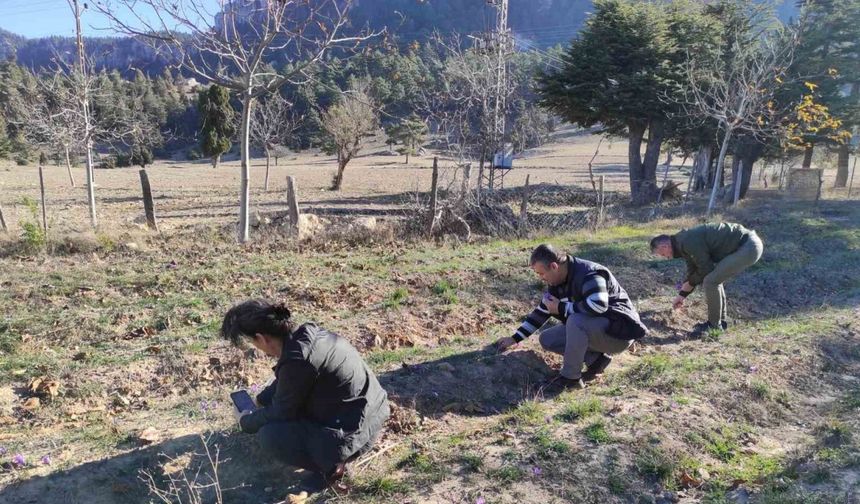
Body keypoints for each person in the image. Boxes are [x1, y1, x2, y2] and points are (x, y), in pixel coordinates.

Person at [221, 299, 390, 490]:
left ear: (261, 338)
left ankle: (331, 468)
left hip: (355, 438)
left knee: (270, 436)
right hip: (373, 416)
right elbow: (289, 382)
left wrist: (245, 421)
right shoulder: (307, 335)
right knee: (284, 411)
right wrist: (261, 399)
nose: (255, 346)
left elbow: (282, 411)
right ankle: (333, 455)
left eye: (252, 342)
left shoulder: (298, 361)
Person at [496, 245, 648, 390]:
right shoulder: (557, 280)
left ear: (554, 267)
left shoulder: (590, 274)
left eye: (541, 273)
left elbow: (599, 305)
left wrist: (562, 308)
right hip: (601, 331)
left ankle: (570, 378)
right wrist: (514, 338)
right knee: (547, 339)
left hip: (620, 334)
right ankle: (596, 361)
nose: (541, 278)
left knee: (576, 321)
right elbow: (542, 312)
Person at [650, 222, 763, 333]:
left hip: (748, 246)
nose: (666, 258)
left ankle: (713, 326)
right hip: (748, 245)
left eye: (663, 254)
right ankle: (720, 322)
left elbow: (706, 269)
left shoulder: (687, 241)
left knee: (711, 281)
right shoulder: (682, 242)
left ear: (664, 246)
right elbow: (693, 270)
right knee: (714, 279)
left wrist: (690, 283)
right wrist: (682, 295)